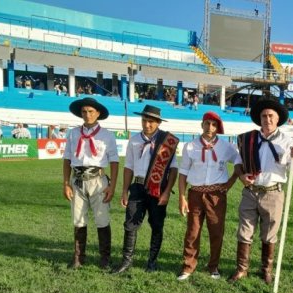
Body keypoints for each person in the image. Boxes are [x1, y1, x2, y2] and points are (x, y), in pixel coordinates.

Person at [228, 98, 293, 284]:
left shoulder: (287, 143)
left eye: (271, 116)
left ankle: (266, 270)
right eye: (264, 116)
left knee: (269, 234)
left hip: (273, 193)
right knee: (244, 231)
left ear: (278, 119)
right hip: (250, 191)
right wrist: (241, 176)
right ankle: (241, 269)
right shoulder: (248, 139)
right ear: (259, 119)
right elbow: (238, 163)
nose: (267, 119)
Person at [111, 105, 179, 274]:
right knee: (130, 224)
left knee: (157, 225)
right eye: (144, 120)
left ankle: (152, 262)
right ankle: (126, 261)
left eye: (151, 122)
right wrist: (125, 190)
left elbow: (173, 170)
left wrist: (166, 192)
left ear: (158, 123)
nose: (147, 124)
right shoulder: (134, 140)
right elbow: (128, 167)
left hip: (158, 189)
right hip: (138, 187)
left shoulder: (167, 142)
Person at [176, 112, 241, 281]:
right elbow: (182, 173)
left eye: (214, 124)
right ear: (202, 124)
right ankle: (188, 266)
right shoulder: (190, 146)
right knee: (192, 232)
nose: (210, 128)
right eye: (207, 123)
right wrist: (182, 196)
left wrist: (231, 181)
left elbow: (239, 163)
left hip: (216, 195)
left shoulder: (226, 147)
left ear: (218, 127)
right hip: (195, 193)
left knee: (216, 231)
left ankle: (213, 266)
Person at [62, 98, 119, 270]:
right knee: (78, 220)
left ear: (98, 113)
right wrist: (66, 183)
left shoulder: (107, 135)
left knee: (102, 220)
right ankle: (79, 258)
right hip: (77, 181)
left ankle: (105, 258)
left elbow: (115, 162)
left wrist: (113, 186)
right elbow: (67, 159)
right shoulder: (73, 134)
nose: (88, 115)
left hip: (98, 181)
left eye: (91, 111)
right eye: (84, 111)